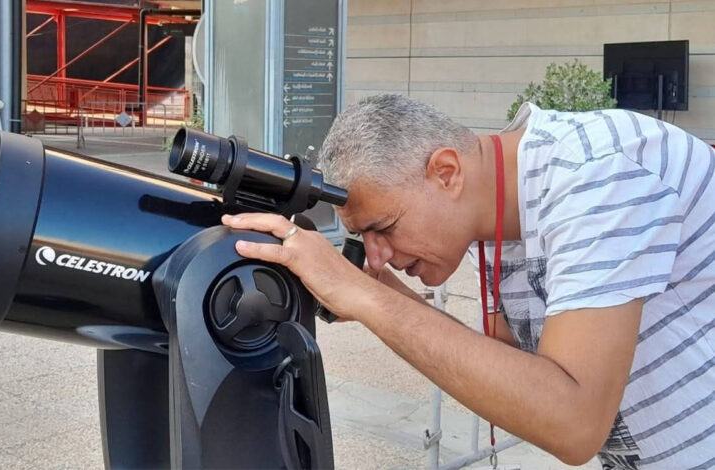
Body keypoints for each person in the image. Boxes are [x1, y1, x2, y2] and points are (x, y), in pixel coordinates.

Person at [221, 94, 715, 469]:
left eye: (384, 229)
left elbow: (573, 421)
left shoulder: (597, 172)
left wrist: (370, 299)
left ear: (446, 172)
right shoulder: (497, 212)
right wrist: (392, 299)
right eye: (363, 238)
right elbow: (512, 375)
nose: (379, 256)